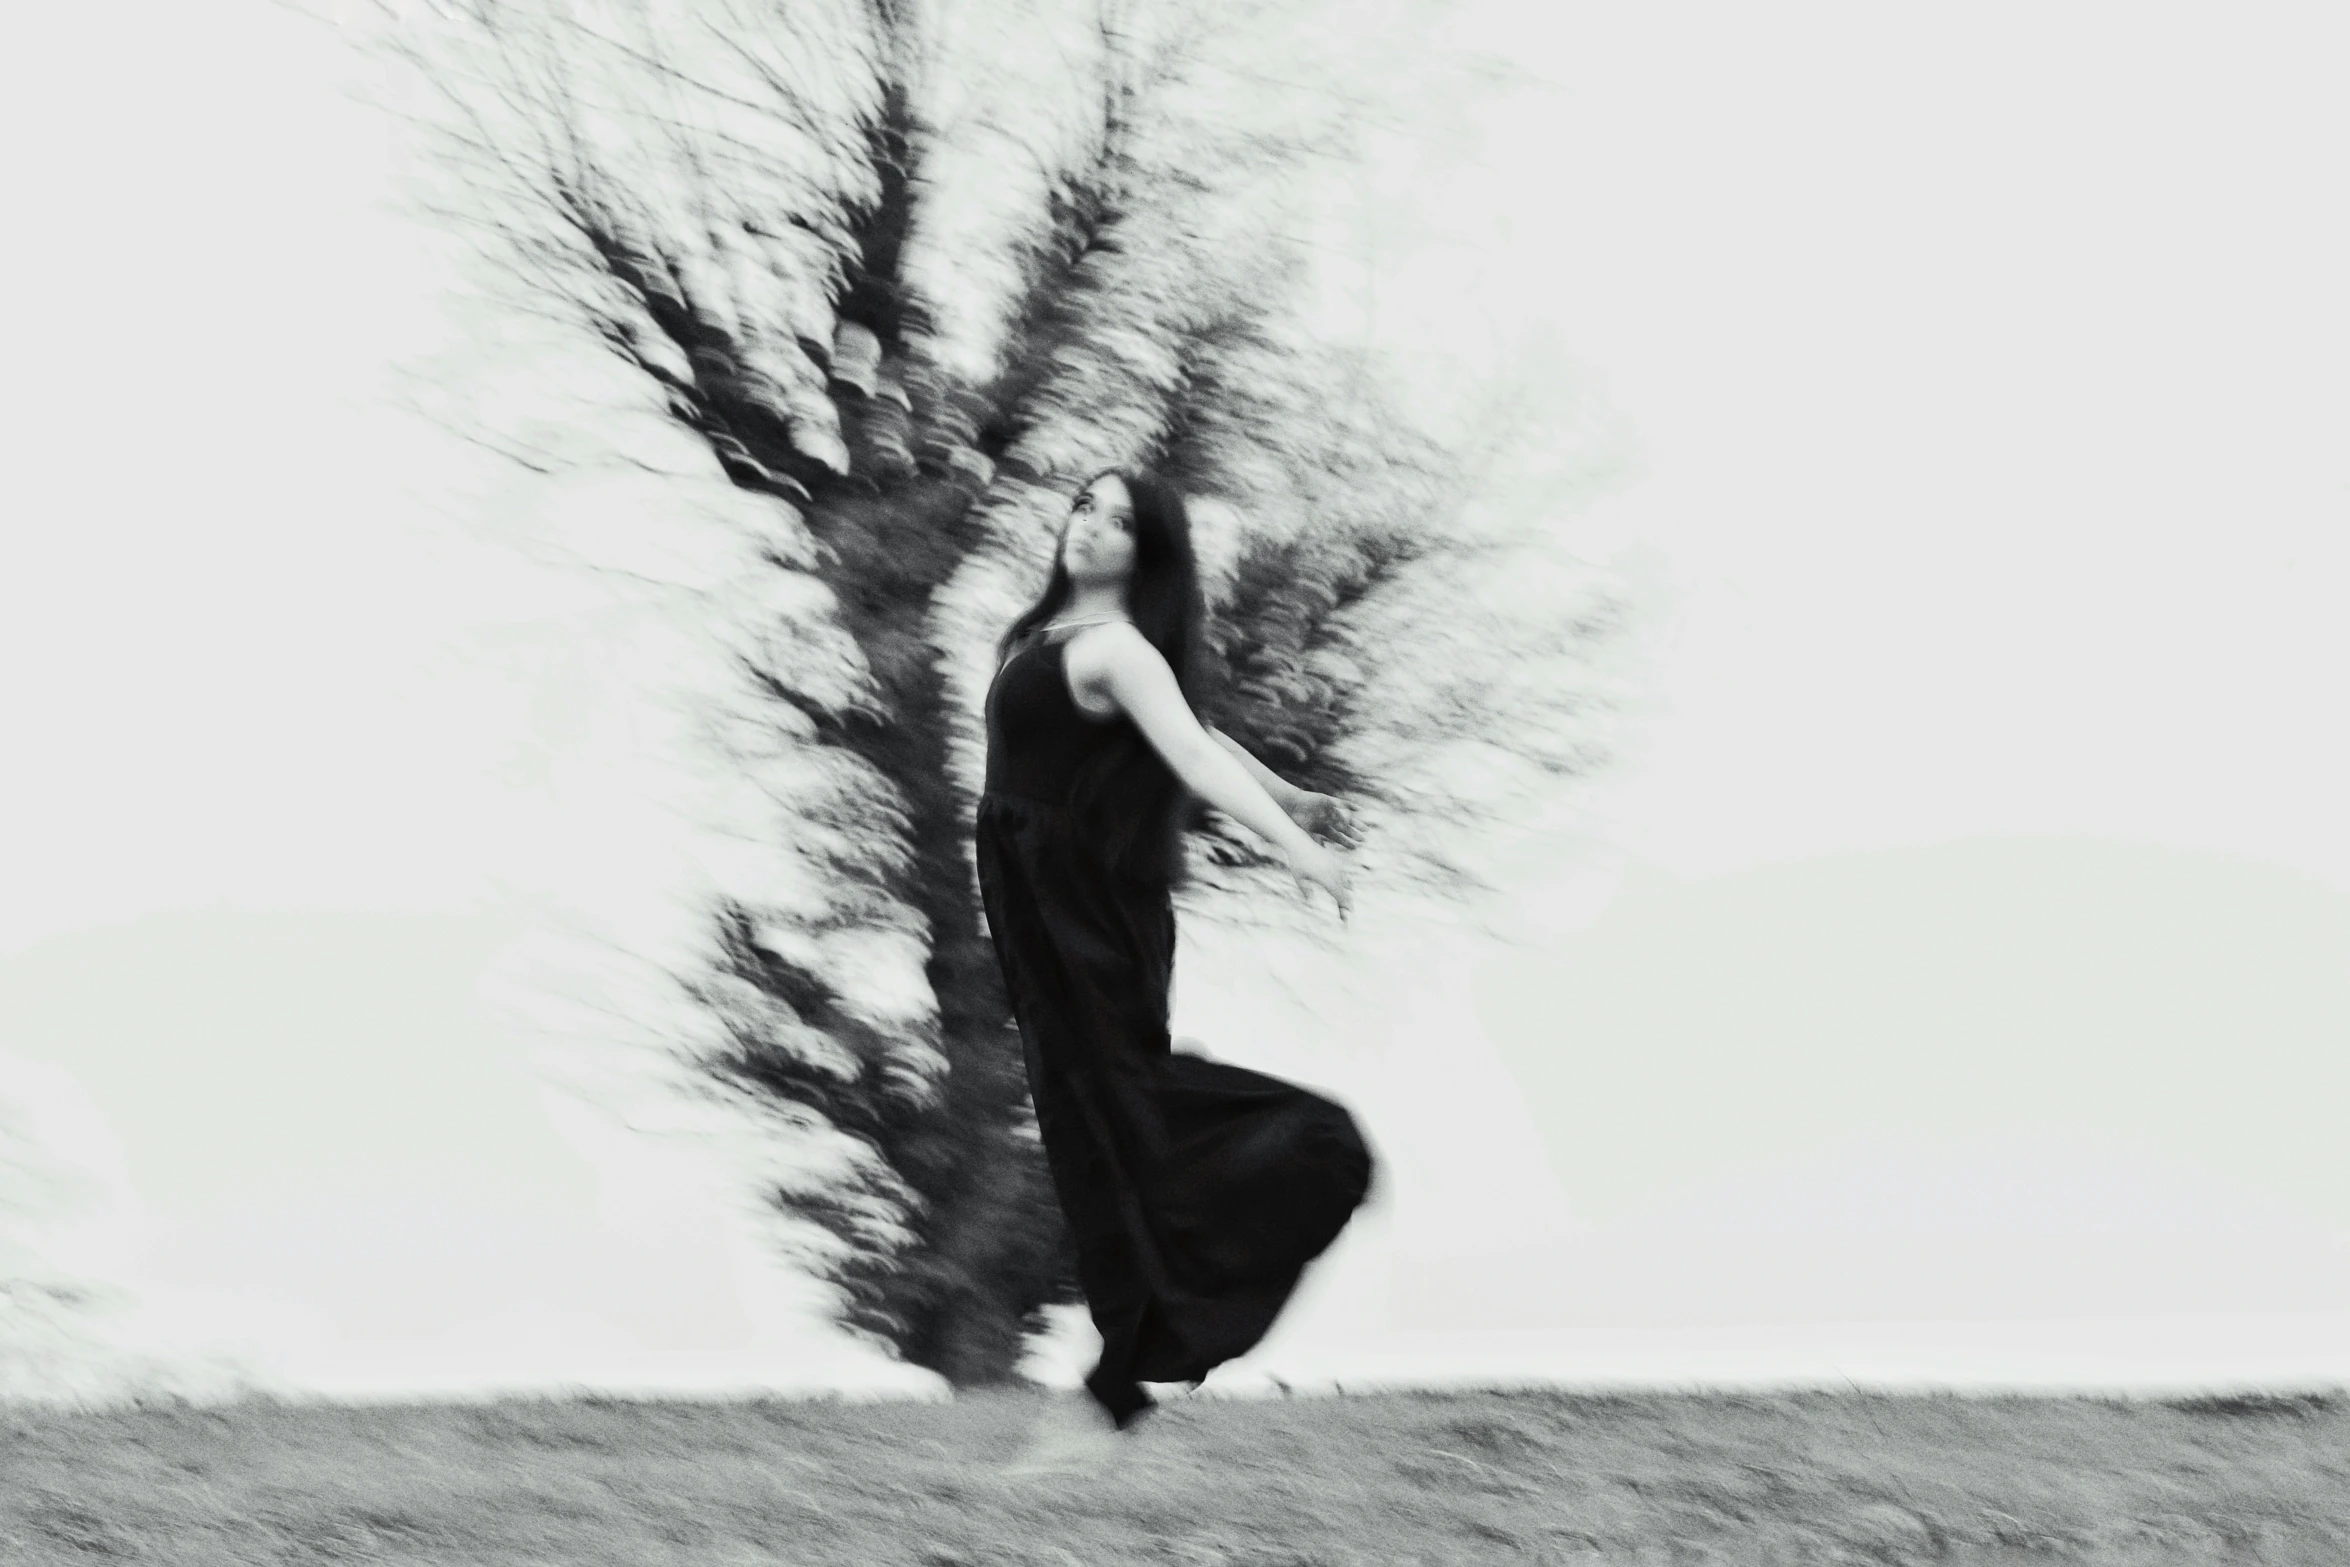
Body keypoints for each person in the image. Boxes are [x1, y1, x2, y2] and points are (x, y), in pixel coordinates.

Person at [975, 469, 1376, 1471]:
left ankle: (1309, 1156)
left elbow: (1192, 759)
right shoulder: (1044, 636)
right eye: (1085, 507)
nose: (1093, 528)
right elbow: (1198, 737)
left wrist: (1298, 846)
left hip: (1086, 915)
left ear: (1146, 552)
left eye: (1120, 521)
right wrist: (1294, 790)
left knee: (1119, 1109)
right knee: (1090, 1125)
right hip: (1039, 909)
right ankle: (1120, 1377)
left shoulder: (1113, 648)